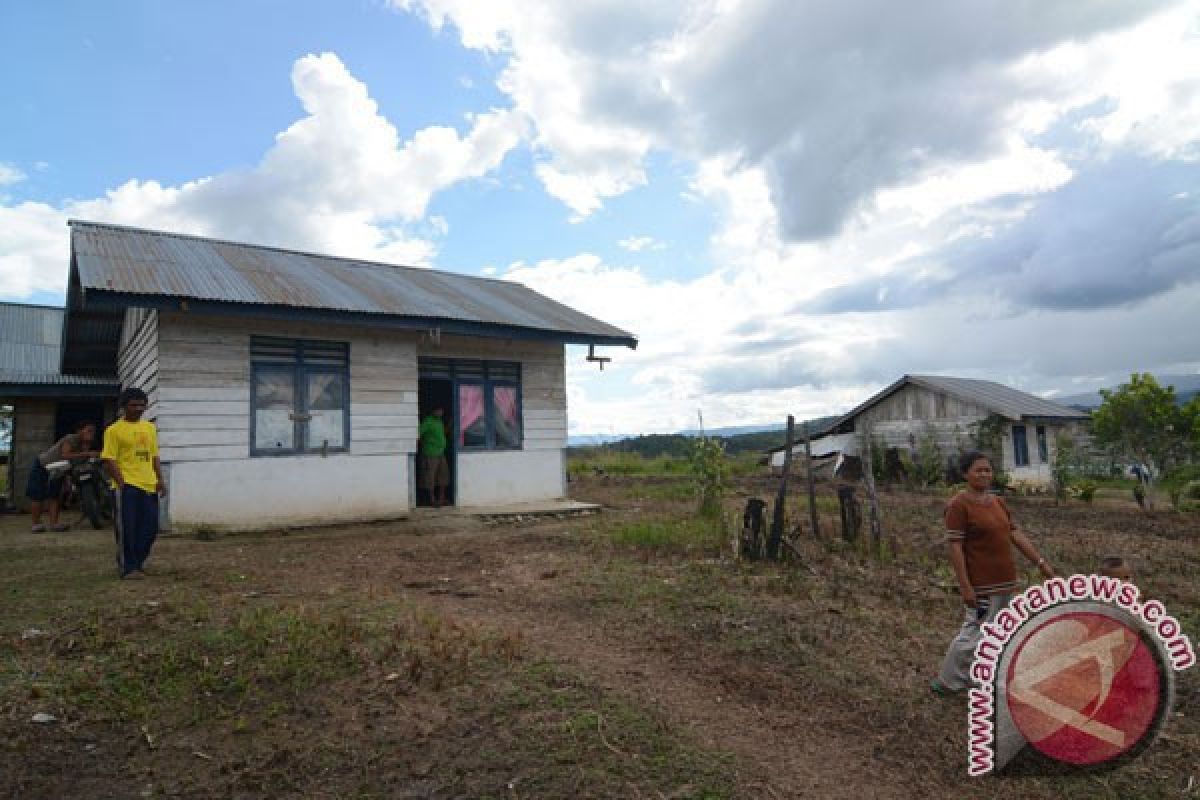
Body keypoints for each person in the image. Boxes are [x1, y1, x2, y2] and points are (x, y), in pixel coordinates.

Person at [931, 450, 1056, 695]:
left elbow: (1014, 534)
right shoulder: (959, 505)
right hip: (981, 583)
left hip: (1005, 580)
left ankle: (977, 677)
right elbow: (955, 547)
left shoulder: (997, 502)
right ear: (966, 474)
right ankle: (947, 681)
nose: (985, 474)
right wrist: (965, 585)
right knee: (974, 632)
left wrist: (1041, 563)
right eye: (978, 470)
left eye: (988, 470)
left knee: (998, 632)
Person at [101, 388, 167, 580]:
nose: (138, 409)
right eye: (133, 405)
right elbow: (109, 459)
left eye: (142, 405)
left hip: (149, 485)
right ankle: (128, 567)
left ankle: (138, 562)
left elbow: (154, 455)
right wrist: (122, 484)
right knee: (127, 529)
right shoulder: (114, 430)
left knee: (150, 528)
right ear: (124, 407)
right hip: (127, 486)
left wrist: (160, 480)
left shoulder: (149, 428)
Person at [26, 421, 101, 532]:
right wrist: (87, 454)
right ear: (79, 431)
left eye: (93, 431)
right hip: (44, 465)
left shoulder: (88, 445)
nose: (91, 433)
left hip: (60, 470)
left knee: (55, 495)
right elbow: (64, 455)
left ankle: (54, 524)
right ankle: (36, 524)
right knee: (37, 494)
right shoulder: (71, 438)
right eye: (89, 430)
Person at [417, 407, 449, 507]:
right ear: (432, 411)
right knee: (430, 478)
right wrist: (423, 445)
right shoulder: (428, 421)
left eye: (442, 410)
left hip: (441, 453)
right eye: (438, 410)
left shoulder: (439, 422)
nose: (440, 412)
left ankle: (441, 499)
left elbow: (443, 434)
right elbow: (418, 434)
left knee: (443, 476)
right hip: (430, 453)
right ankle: (432, 500)